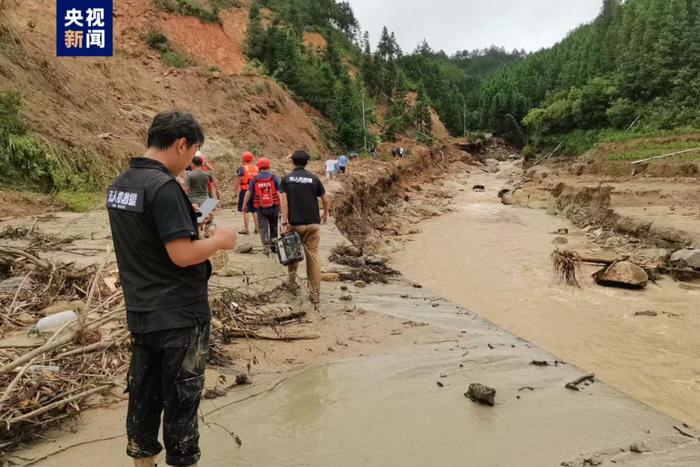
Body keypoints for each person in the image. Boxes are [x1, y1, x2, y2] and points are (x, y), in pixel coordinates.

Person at [107, 111, 236, 467]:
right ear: (182, 144)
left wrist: (187, 218)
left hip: (141, 312)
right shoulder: (163, 187)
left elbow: (147, 238)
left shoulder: (121, 184)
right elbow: (181, 255)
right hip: (180, 317)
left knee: (143, 408)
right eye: (191, 149)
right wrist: (220, 241)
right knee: (181, 413)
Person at [280, 150, 330, 305]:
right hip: (313, 224)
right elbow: (325, 198)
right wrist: (325, 214)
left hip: (295, 223)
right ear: (307, 162)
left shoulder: (287, 179)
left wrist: (283, 223)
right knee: (313, 257)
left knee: (292, 253)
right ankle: (315, 294)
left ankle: (292, 282)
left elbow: (284, 202)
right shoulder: (314, 179)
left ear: (293, 162)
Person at [242, 157, 281, 256]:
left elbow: (248, 193)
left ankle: (266, 247)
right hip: (274, 207)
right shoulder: (274, 178)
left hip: (260, 208)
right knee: (274, 227)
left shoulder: (255, 180)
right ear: (269, 167)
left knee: (263, 228)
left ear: (258, 168)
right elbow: (280, 192)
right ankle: (274, 246)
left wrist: (244, 205)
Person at [234, 151, 259, 235]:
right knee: (255, 210)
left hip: (245, 191)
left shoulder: (242, 168)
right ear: (252, 159)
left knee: (245, 210)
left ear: (243, 159)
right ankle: (257, 228)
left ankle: (246, 229)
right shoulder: (256, 168)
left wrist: (235, 191)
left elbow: (239, 180)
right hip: (255, 191)